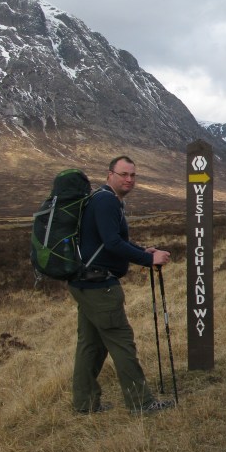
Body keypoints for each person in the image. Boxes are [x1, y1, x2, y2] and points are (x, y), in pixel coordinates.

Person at [68, 156, 175, 414]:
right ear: (110, 174)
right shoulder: (106, 201)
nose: (129, 179)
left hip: (84, 282)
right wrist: (148, 258)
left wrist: (140, 250)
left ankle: (84, 404)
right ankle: (142, 404)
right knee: (121, 342)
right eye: (124, 174)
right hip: (100, 287)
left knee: (90, 345)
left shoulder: (102, 199)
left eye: (133, 175)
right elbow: (113, 243)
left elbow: (109, 242)